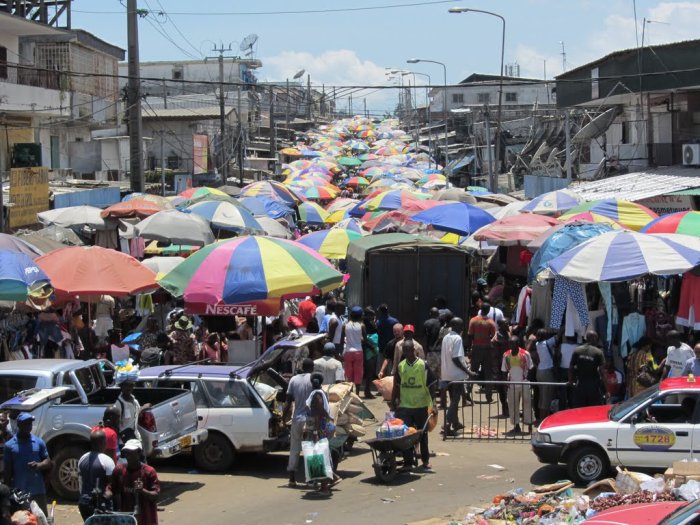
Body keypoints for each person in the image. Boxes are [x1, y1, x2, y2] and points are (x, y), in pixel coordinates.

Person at [391, 340, 433, 470]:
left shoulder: (423, 365)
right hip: (406, 405)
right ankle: (408, 462)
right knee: (406, 435)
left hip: (421, 405)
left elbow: (431, 384)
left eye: (409, 349)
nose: (407, 352)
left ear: (414, 350)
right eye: (405, 350)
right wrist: (395, 402)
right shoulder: (401, 366)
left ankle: (425, 460)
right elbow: (396, 385)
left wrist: (434, 403)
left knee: (422, 434)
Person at [3, 413, 52, 515]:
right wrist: (7, 494)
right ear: (19, 425)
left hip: (38, 490)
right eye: (26, 424)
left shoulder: (39, 442)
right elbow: (7, 472)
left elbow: (48, 462)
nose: (29, 427)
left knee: (42, 519)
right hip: (20, 493)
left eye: (30, 424)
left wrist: (39, 465)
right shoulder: (9, 446)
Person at [305, 373, 341, 497]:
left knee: (321, 457)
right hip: (322, 428)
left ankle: (325, 487)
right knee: (321, 456)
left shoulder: (316, 396)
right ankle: (331, 479)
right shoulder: (320, 393)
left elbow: (318, 414)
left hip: (319, 429)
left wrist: (315, 432)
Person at [113, 439, 160, 525]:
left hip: (146, 519)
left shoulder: (149, 471)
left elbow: (155, 496)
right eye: (127, 452)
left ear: (139, 453)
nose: (129, 455)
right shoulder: (119, 470)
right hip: (127, 519)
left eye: (132, 452)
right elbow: (112, 490)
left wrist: (142, 491)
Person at [284, 358, 314, 487]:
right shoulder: (314, 379)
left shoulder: (293, 380)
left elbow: (288, 400)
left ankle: (291, 478)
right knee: (310, 448)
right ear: (312, 368)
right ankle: (311, 479)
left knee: (294, 448)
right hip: (310, 419)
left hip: (297, 418)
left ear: (302, 366)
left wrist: (283, 416)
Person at [440, 317, 471, 436]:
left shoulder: (446, 337)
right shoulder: (457, 338)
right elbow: (456, 358)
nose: (463, 328)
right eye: (462, 325)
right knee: (455, 400)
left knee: (453, 399)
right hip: (455, 374)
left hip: (446, 373)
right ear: (458, 327)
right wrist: (468, 372)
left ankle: (456, 422)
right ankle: (447, 423)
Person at [78, 430, 115, 520]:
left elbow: (80, 483)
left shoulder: (82, 458)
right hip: (101, 505)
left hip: (84, 503)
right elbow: (113, 484)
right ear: (103, 442)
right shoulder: (107, 460)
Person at [501, 335, 534, 435]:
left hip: (524, 383)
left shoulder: (525, 354)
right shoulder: (506, 355)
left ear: (517, 343)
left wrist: (530, 381)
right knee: (513, 405)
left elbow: (531, 368)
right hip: (512, 384)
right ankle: (516, 426)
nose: (512, 345)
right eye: (510, 343)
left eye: (514, 343)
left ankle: (529, 425)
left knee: (527, 404)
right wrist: (505, 384)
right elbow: (504, 370)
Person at [467, 304, 497, 403]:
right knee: (488, 373)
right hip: (487, 348)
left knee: (472, 371)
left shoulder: (473, 320)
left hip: (476, 348)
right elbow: (494, 337)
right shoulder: (490, 322)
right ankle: (489, 397)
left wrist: (469, 349)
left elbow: (470, 336)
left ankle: (467, 394)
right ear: (488, 310)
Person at [569, 331, 606, 408]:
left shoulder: (577, 350)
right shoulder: (598, 352)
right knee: (594, 409)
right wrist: (606, 388)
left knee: (580, 409)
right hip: (593, 386)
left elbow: (571, 368)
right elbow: (602, 371)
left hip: (580, 385)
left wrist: (571, 381)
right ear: (595, 338)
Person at [533, 329, 560, 419]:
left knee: (542, 397)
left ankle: (541, 417)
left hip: (539, 371)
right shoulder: (548, 342)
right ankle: (544, 419)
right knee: (547, 398)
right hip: (547, 372)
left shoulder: (537, 344)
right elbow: (559, 335)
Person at [341, 306, 366, 394]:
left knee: (349, 372)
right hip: (358, 351)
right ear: (360, 316)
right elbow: (365, 340)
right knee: (358, 372)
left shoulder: (345, 325)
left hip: (348, 352)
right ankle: (357, 394)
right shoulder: (362, 325)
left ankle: (350, 392)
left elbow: (342, 339)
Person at [117, 380, 142, 444]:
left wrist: (144, 408)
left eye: (131, 385)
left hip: (136, 439)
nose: (129, 388)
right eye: (126, 385)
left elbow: (139, 415)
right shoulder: (118, 404)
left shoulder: (135, 402)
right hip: (123, 442)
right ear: (121, 386)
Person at [362, 307, 379, 399]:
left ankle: (366, 390)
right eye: (371, 315)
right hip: (368, 350)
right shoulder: (365, 324)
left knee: (368, 372)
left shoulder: (367, 323)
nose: (373, 317)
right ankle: (367, 391)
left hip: (369, 349)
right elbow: (364, 340)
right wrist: (372, 348)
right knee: (369, 372)